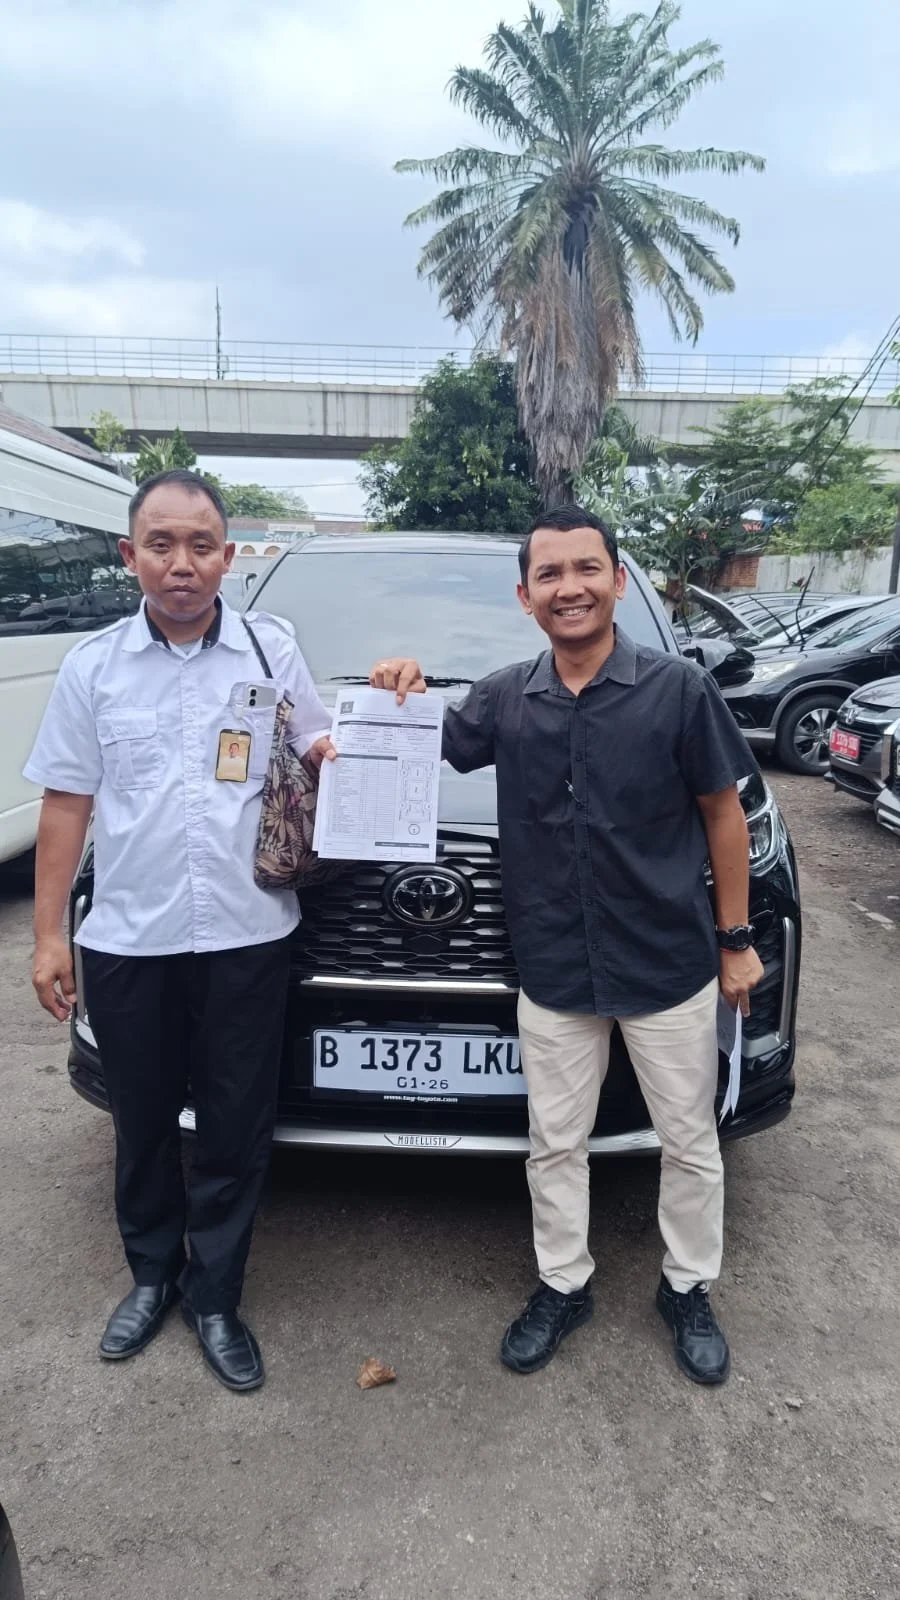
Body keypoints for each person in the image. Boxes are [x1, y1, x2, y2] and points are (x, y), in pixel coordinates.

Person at [371, 506, 764, 1386]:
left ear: (619, 581)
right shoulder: (507, 697)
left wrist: (735, 940)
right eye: (549, 575)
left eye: (586, 569)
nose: (569, 587)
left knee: (688, 1139)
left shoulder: (676, 690)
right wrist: (395, 688)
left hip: (666, 962)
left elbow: (722, 815)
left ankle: (687, 1287)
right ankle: (563, 1282)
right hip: (552, 965)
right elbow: (425, 741)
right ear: (525, 597)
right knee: (554, 1140)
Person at [26, 468, 335, 1393]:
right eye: (161, 545)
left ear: (229, 558)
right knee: (144, 1123)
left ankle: (216, 1297)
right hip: (129, 938)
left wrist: (393, 703)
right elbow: (67, 805)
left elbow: (326, 750)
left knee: (238, 1125)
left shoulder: (270, 650)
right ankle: (152, 1275)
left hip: (248, 934)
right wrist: (49, 937)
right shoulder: (93, 667)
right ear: (131, 557)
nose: (182, 563)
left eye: (201, 545)